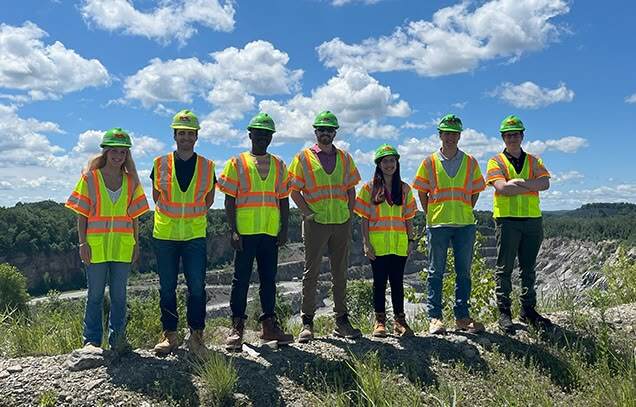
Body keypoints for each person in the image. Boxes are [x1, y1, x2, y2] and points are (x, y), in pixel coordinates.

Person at [65, 128, 149, 352]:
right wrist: (82, 243)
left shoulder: (131, 182)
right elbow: (81, 214)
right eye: (114, 151)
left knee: (119, 296)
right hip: (95, 247)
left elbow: (135, 217)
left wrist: (136, 244)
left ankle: (118, 340)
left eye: (122, 152)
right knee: (94, 295)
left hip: (122, 246)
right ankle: (91, 340)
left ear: (126, 155)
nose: (118, 156)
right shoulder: (90, 178)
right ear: (105, 152)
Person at [217, 113, 294, 350]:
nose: (262, 138)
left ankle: (268, 326)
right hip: (246, 233)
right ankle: (237, 327)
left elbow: (283, 200)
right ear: (250, 135)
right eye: (258, 133)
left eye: (266, 134)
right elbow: (229, 201)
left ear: (271, 137)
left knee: (268, 280)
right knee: (240, 280)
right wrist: (233, 231)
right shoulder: (237, 163)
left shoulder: (279, 164)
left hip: (269, 233)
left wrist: (283, 229)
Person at [288, 111, 362, 342]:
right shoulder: (303, 158)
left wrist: (349, 215)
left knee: (340, 273)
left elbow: (351, 189)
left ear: (335, 133)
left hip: (340, 222)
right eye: (322, 130)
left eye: (329, 130)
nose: (326, 133)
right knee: (311, 272)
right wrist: (307, 213)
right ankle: (307, 322)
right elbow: (294, 190)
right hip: (316, 223)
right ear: (315, 132)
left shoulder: (345, 158)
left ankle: (341, 321)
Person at [412, 114, 486, 335]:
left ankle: (462, 317)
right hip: (438, 224)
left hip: (464, 224)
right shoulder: (429, 162)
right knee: (436, 272)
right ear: (440, 135)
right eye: (447, 133)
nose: (450, 137)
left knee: (463, 272)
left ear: (459, 136)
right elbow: (421, 192)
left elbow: (474, 193)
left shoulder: (470, 161)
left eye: (454, 134)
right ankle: (435, 318)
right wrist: (432, 213)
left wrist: (463, 209)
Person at [151, 110, 216, 356]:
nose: (186, 137)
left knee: (197, 287)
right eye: (182, 133)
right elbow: (156, 196)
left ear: (196, 137)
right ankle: (170, 335)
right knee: (167, 287)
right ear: (174, 135)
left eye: (190, 133)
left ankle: (196, 336)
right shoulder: (160, 164)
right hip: (165, 235)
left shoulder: (207, 166)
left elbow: (208, 199)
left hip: (194, 236)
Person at [486, 115, 553, 334]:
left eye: (515, 134)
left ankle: (528, 309)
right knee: (504, 268)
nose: (512, 138)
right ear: (503, 138)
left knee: (528, 268)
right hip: (507, 222)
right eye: (508, 135)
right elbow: (502, 188)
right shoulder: (495, 161)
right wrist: (530, 185)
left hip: (532, 221)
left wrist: (521, 183)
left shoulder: (534, 160)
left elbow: (545, 183)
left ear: (522, 136)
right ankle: (504, 312)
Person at [354, 144, 417, 337]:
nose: (389, 164)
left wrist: (411, 240)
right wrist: (366, 242)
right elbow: (364, 218)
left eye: (392, 161)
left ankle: (400, 321)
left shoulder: (404, 189)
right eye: (385, 161)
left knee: (397, 282)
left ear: (397, 163)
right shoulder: (368, 188)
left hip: (398, 244)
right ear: (379, 165)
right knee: (379, 283)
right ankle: (379, 322)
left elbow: (408, 218)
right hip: (378, 245)